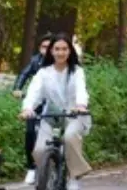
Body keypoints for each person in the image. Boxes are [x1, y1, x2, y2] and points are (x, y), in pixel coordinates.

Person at [20, 34, 91, 190]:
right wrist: (27, 108)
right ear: (51, 51)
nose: (60, 53)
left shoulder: (77, 71)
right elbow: (34, 93)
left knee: (70, 136)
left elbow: (81, 90)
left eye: (64, 49)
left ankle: (73, 177)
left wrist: (80, 105)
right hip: (51, 114)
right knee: (39, 150)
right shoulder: (43, 73)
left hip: (74, 113)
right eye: (57, 49)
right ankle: (49, 174)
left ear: (70, 51)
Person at [13, 34, 53, 186]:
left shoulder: (60, 62)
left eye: (50, 47)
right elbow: (24, 74)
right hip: (36, 103)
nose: (47, 50)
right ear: (39, 48)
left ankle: (60, 161)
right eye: (44, 47)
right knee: (30, 133)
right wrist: (17, 88)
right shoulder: (35, 61)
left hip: (54, 103)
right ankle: (32, 167)